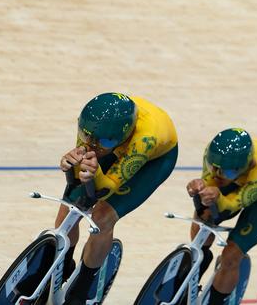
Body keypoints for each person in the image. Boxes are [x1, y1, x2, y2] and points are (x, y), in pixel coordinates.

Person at [57, 92, 178, 304]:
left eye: (103, 142)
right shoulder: (93, 127)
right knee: (70, 205)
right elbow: (77, 181)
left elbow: (106, 188)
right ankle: (63, 262)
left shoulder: (144, 140)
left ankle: (83, 286)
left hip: (154, 161)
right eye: (87, 138)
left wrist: (95, 173)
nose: (94, 146)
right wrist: (71, 165)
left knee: (102, 217)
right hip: (117, 139)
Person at [186, 128, 257, 305]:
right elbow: (213, 184)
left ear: (247, 166)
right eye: (215, 168)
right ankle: (197, 266)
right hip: (238, 179)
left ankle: (217, 301)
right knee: (204, 217)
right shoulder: (213, 154)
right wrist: (200, 188)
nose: (218, 175)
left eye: (226, 172)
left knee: (231, 256)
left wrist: (217, 196)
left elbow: (230, 206)